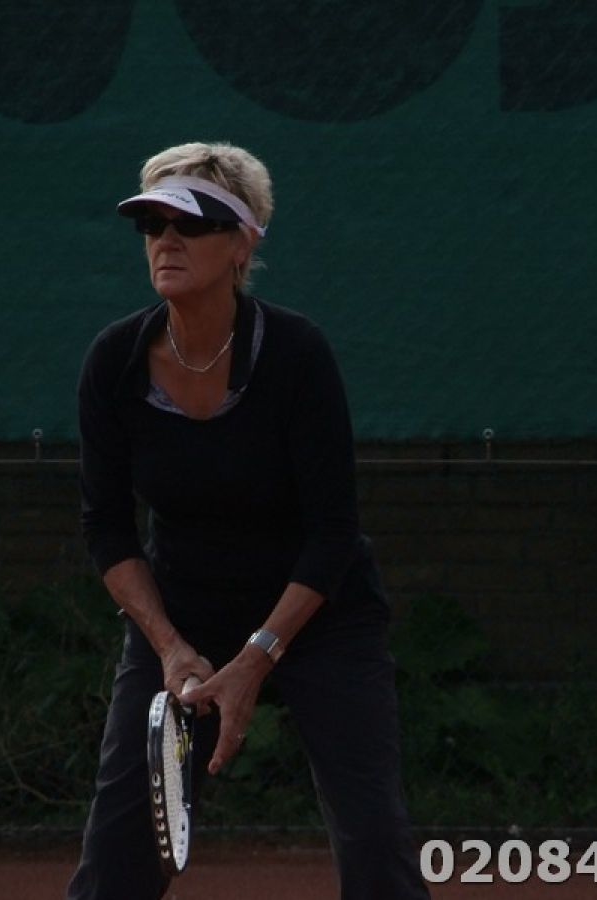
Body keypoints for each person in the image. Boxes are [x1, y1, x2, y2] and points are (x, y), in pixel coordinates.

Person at [66, 141, 429, 900]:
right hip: (184, 614)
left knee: (374, 840)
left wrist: (258, 657)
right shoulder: (113, 361)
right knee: (119, 854)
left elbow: (334, 531)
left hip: (320, 615)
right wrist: (170, 648)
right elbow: (107, 528)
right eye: (153, 225)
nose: (166, 240)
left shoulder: (297, 353)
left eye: (191, 224)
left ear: (242, 243)